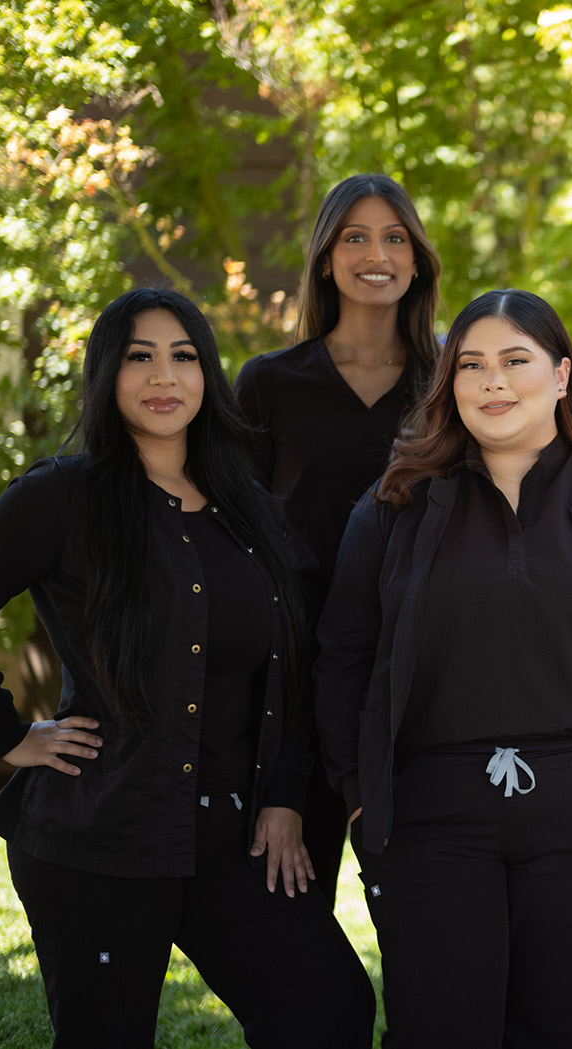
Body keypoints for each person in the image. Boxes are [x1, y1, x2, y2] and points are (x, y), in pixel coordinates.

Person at [0, 288, 375, 1047]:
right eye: (140, 357)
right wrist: (7, 732)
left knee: (328, 1009)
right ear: (106, 374)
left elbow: (293, 660)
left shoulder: (250, 507)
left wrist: (286, 795)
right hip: (102, 831)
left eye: (184, 356)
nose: (165, 376)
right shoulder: (63, 494)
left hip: (230, 835)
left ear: (207, 374)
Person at [315, 289, 572, 1047]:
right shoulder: (394, 507)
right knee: (438, 1028)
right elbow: (341, 658)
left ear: (562, 375)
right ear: (449, 382)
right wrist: (361, 800)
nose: (492, 382)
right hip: (432, 817)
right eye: (471, 364)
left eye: (514, 361)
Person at [234, 173, 442, 903]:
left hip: (421, 667)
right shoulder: (270, 383)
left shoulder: (452, 382)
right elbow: (238, 534)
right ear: (326, 258)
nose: (375, 253)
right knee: (289, 908)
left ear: (417, 260)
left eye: (394, 237)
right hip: (295, 669)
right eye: (354, 236)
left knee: (426, 903)